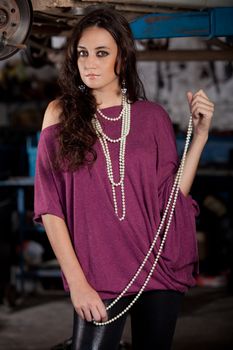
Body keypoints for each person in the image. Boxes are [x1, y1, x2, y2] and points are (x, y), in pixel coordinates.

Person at [34, 6, 214, 350]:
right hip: (98, 275)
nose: (90, 63)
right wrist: (78, 282)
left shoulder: (153, 117)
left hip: (157, 268)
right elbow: (50, 206)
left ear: (122, 59)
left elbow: (171, 199)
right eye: (83, 53)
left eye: (102, 53)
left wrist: (201, 137)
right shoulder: (60, 113)